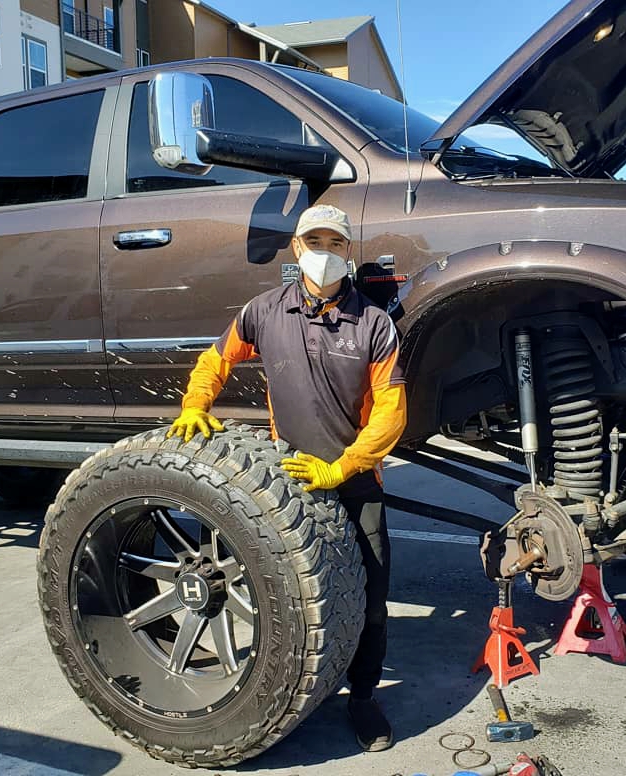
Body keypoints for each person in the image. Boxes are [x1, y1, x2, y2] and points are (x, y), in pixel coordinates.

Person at [167, 203, 407, 752]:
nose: (325, 252)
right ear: (297, 248)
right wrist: (194, 404)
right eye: (314, 242)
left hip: (355, 479)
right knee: (292, 592)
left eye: (336, 243)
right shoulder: (263, 312)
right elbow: (215, 359)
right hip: (290, 479)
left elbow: (391, 413)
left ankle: (364, 697)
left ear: (349, 252)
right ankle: (298, 683)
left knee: (371, 597)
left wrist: (342, 467)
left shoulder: (374, 325)